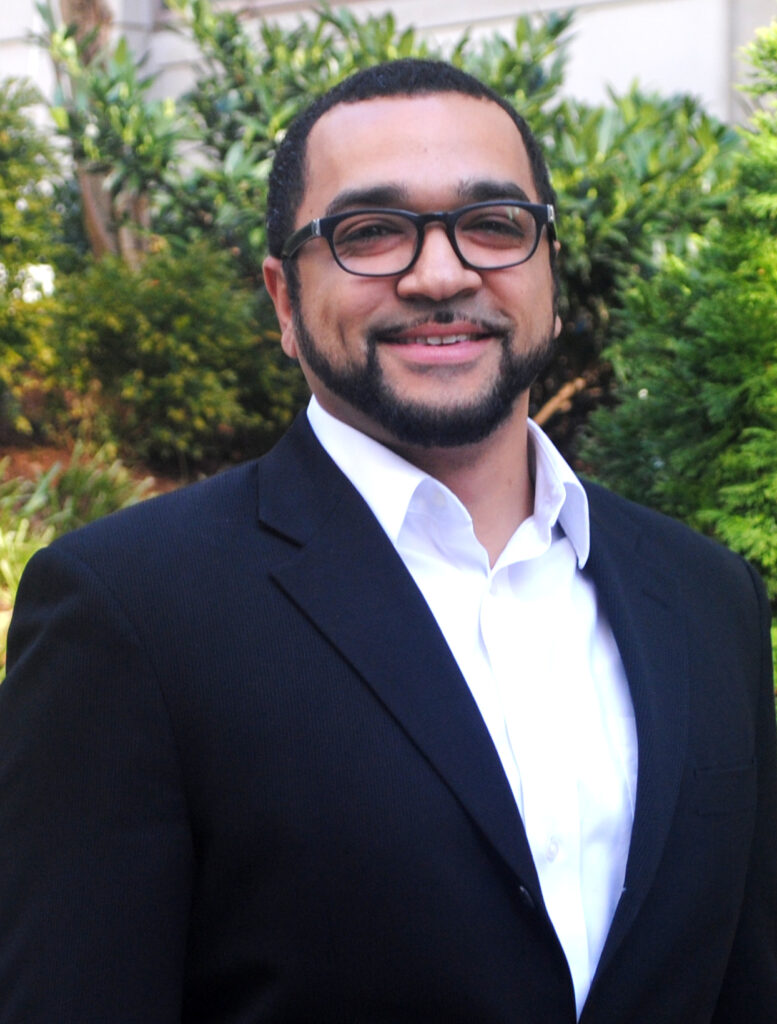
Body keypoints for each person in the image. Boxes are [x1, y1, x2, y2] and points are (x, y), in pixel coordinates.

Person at [1, 59, 775, 1024]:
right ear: (284, 301)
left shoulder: (707, 598)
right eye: (370, 233)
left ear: (549, 273)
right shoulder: (126, 614)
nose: (441, 273)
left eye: (493, 225)